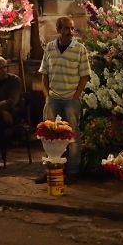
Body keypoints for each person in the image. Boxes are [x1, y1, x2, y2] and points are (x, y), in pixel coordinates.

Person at [35, 15, 91, 183]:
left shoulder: (79, 49)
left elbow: (85, 76)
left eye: (72, 28)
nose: (70, 32)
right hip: (53, 98)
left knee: (72, 135)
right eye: (66, 28)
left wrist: (75, 96)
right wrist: (47, 95)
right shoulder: (50, 48)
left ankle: (73, 171)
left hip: (71, 99)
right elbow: (44, 73)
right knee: (48, 134)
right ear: (58, 29)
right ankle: (51, 168)